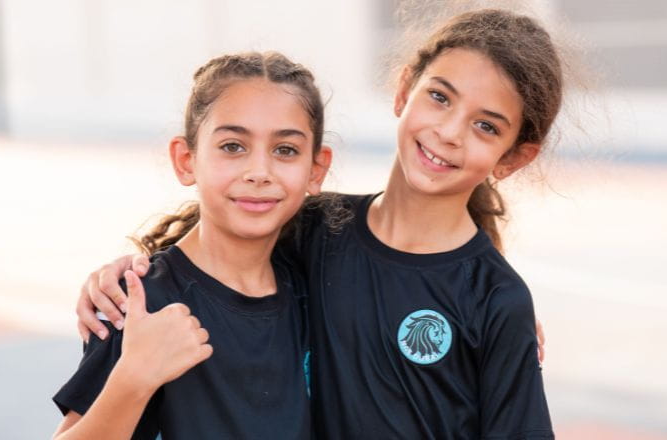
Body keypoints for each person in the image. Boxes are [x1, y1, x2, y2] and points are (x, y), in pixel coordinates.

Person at [77, 9, 562, 439]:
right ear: (403, 90)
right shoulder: (312, 230)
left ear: (515, 157)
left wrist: (505, 317)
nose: (450, 132)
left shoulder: (495, 299)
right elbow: (218, 243)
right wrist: (121, 276)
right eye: (439, 97)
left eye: (486, 126)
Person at [52, 51, 332, 439]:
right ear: (186, 160)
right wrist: (135, 377)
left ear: (316, 170)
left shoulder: (313, 280)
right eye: (233, 146)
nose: (259, 172)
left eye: (285, 150)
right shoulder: (142, 303)